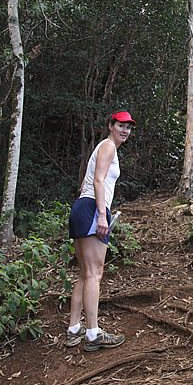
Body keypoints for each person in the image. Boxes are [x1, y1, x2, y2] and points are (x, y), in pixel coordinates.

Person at [66, 111, 135, 350]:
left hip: (82, 208)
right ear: (111, 126)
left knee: (85, 274)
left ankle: (74, 328)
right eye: (120, 125)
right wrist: (102, 215)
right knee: (95, 273)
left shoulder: (105, 147)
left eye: (128, 127)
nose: (125, 130)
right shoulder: (108, 147)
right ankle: (93, 333)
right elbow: (98, 180)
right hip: (91, 209)